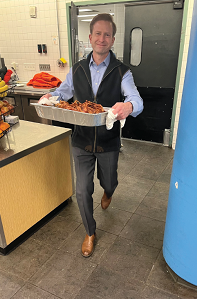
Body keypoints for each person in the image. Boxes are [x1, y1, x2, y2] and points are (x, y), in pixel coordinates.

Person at [39, 13, 144, 257]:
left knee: (109, 181)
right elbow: (63, 92)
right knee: (82, 189)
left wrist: (128, 106)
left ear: (113, 39)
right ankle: (89, 231)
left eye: (107, 34)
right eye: (98, 33)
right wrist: (49, 97)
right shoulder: (76, 69)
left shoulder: (122, 72)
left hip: (108, 141)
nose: (102, 38)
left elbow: (135, 98)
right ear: (90, 37)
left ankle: (108, 191)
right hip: (81, 140)